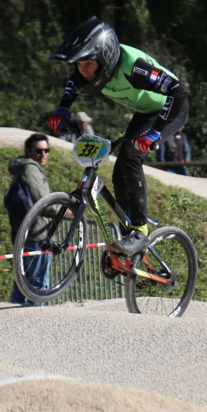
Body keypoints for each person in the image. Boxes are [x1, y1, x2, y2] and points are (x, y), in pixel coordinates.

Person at [48, 17, 189, 254]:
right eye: (79, 64)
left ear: (106, 59)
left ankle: (140, 232)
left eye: (88, 63)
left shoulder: (134, 67)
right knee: (119, 169)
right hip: (146, 111)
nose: (83, 70)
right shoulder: (88, 72)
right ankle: (127, 238)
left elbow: (178, 91)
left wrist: (154, 133)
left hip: (172, 109)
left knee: (131, 155)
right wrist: (62, 108)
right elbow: (73, 82)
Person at [6, 133, 53, 305]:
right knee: (38, 284)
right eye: (38, 151)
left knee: (22, 283)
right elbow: (44, 201)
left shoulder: (22, 168)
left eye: (46, 150)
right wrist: (62, 210)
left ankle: (13, 314)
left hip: (24, 232)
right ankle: (34, 317)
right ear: (28, 151)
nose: (43, 155)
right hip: (37, 233)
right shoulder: (30, 169)